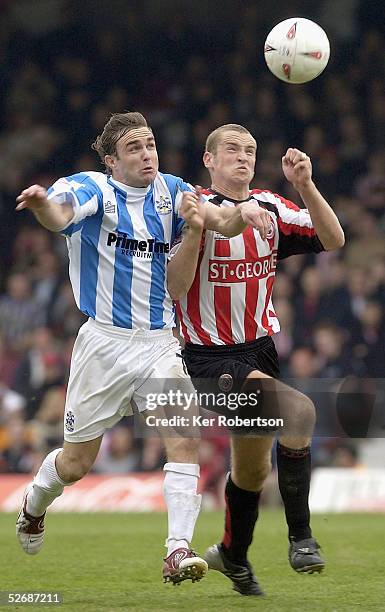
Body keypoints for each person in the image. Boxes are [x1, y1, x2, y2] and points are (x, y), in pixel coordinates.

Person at [14, 112, 269, 585]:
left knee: (185, 435)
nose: (147, 153)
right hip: (104, 343)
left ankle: (177, 550)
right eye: (134, 147)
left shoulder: (172, 191)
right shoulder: (94, 189)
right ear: (112, 160)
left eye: (150, 144)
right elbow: (61, 215)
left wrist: (243, 213)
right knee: (75, 464)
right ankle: (34, 502)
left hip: (157, 342)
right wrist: (41, 205)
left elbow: (219, 220)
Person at [168, 124, 344, 595]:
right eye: (231, 150)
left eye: (250, 151)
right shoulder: (189, 205)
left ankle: (232, 555)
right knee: (300, 410)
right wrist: (214, 224)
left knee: (251, 470)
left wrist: (304, 185)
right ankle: (302, 537)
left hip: (258, 351)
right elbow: (176, 287)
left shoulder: (271, 206)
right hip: (209, 358)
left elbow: (333, 238)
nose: (243, 157)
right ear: (209, 159)